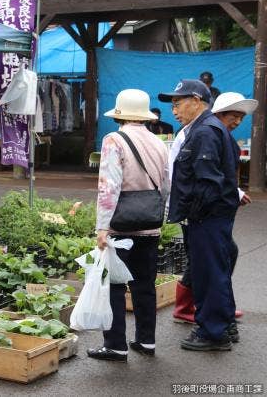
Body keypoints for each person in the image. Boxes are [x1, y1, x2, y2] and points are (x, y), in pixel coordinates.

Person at [88, 89, 169, 362]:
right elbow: (167, 186)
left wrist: (102, 227)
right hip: (150, 224)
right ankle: (146, 341)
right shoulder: (159, 143)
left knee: (114, 285)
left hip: (121, 227)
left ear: (120, 115)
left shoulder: (114, 140)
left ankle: (116, 345)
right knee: (145, 285)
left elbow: (108, 187)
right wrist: (161, 215)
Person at [159, 79, 239, 351]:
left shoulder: (204, 131)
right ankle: (223, 325)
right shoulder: (208, 128)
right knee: (216, 270)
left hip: (207, 218)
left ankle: (213, 333)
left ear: (196, 100)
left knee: (209, 273)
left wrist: (193, 214)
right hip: (213, 217)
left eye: (178, 103)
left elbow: (208, 183)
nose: (174, 110)